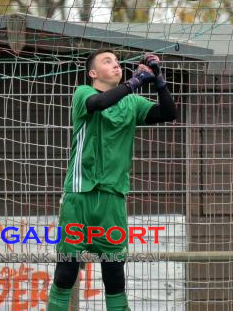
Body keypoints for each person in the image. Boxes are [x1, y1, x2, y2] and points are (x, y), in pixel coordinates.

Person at [47, 49, 177, 311]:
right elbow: (99, 104)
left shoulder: (132, 103)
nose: (116, 64)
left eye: (117, 62)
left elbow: (168, 113)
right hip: (79, 195)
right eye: (108, 61)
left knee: (115, 276)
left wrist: (159, 80)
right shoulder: (83, 93)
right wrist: (135, 81)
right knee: (66, 272)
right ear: (93, 73)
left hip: (113, 198)